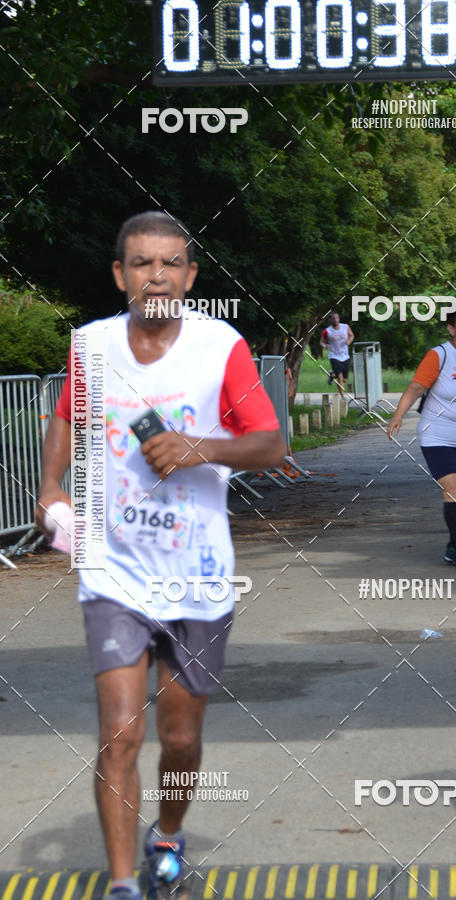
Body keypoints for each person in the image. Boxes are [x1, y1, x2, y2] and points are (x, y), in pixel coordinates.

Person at [36, 211, 286, 900]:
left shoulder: (220, 349)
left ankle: (167, 832)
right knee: (120, 733)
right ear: (120, 275)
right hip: (113, 568)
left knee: (179, 739)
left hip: (198, 574)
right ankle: (122, 884)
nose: (157, 275)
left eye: (170, 263)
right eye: (142, 263)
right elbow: (66, 414)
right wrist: (51, 486)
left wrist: (198, 447)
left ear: (190, 276)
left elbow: (271, 445)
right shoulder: (91, 346)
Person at [386, 301, 456, 570]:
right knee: (452, 488)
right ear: (451, 328)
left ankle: (454, 546)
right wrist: (398, 415)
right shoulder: (439, 355)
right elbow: (416, 387)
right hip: (437, 434)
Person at [320, 310, 354, 396]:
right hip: (334, 356)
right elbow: (321, 342)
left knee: (344, 379)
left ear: (339, 319)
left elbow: (351, 335)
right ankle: (342, 397)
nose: (335, 320)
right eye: (333, 318)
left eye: (337, 318)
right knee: (340, 377)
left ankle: (332, 374)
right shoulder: (327, 331)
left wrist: (349, 341)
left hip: (345, 356)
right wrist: (325, 346)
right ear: (330, 320)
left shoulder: (345, 327)